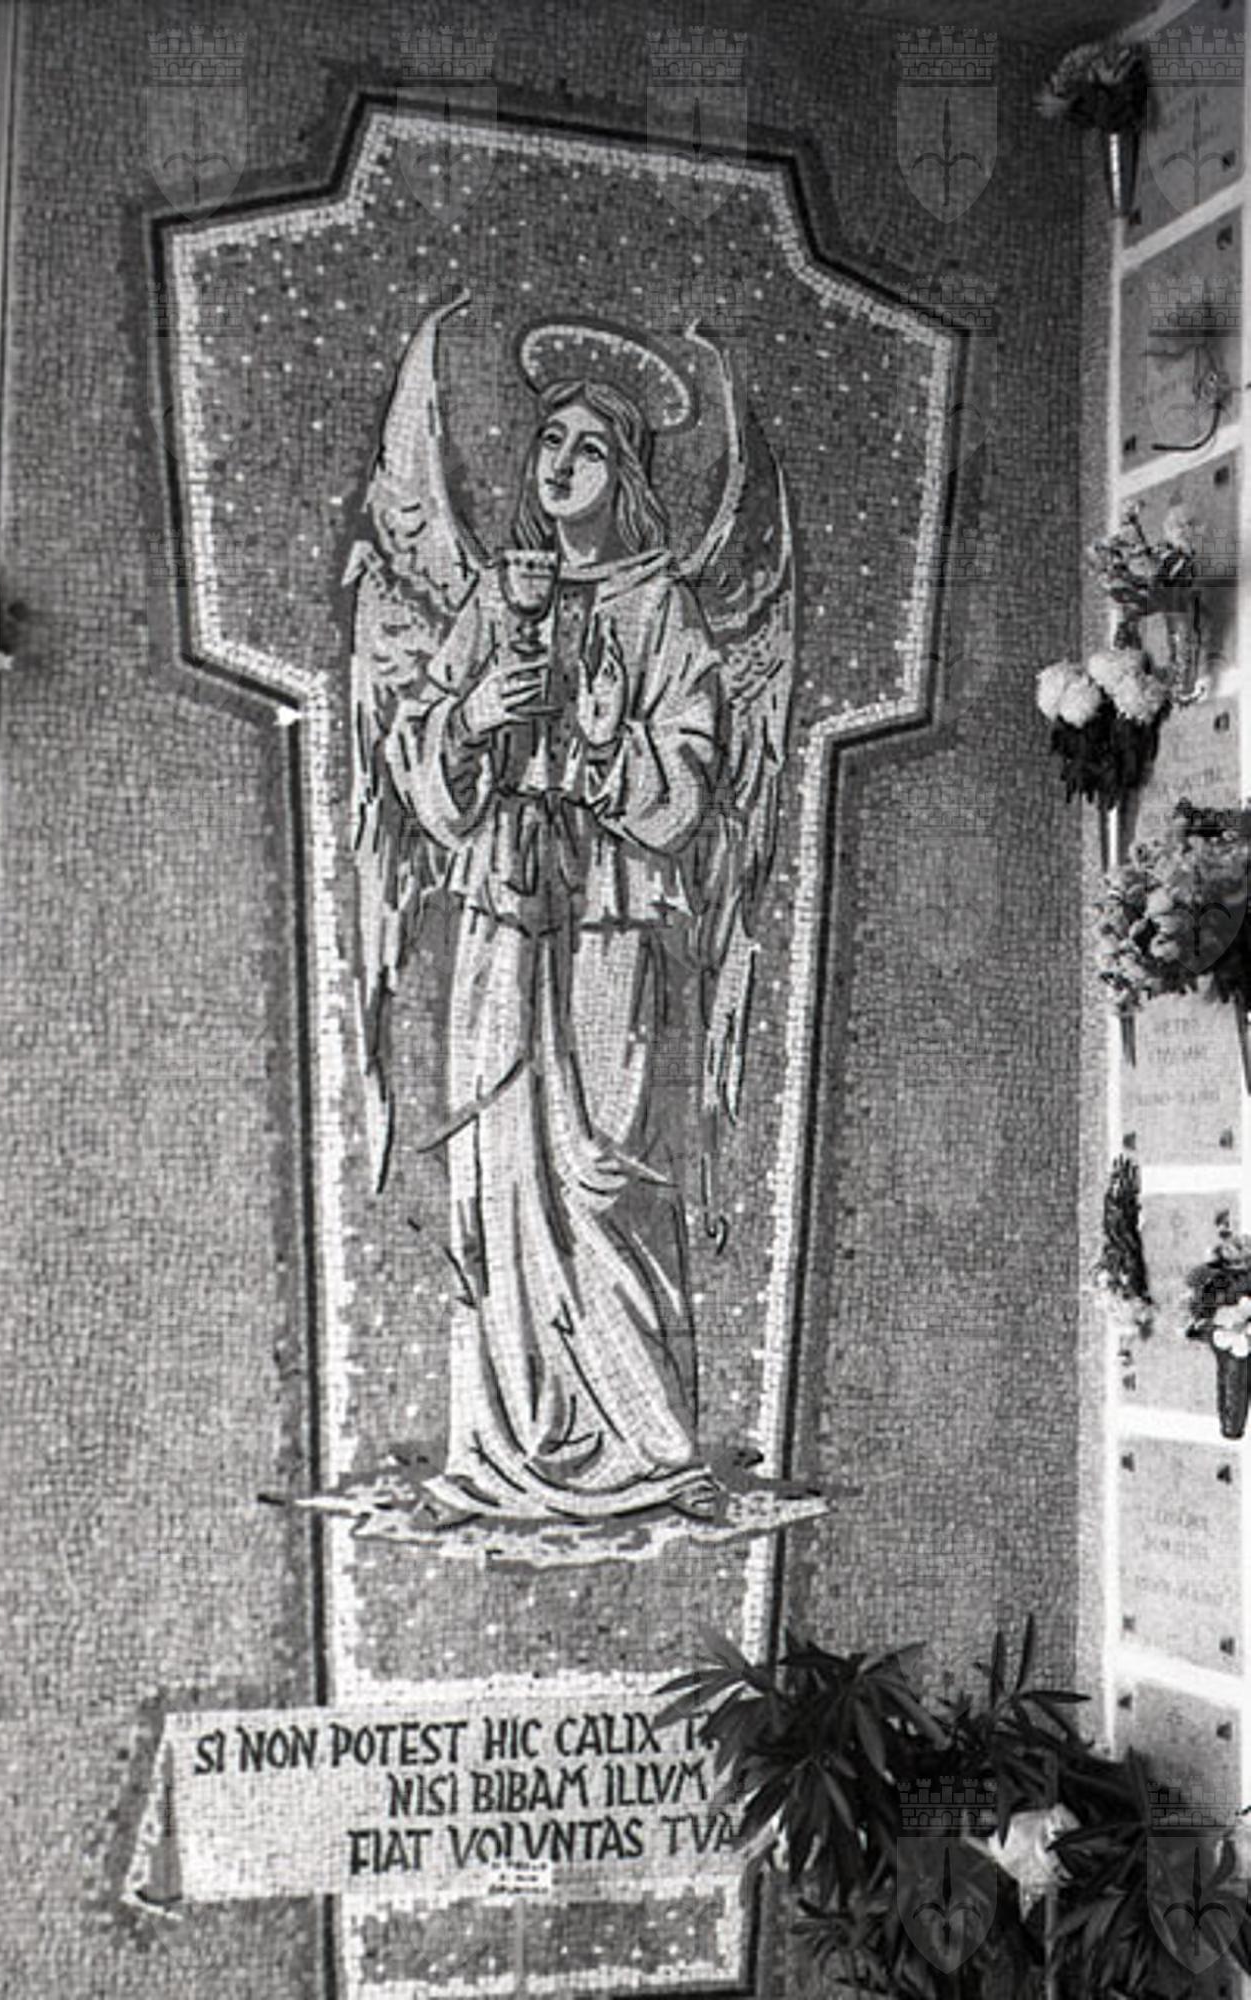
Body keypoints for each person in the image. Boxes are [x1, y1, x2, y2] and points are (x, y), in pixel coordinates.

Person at [388, 339, 725, 1523]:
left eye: (591, 447)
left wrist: (603, 744)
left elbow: (689, 790)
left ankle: (653, 1442)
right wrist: (479, 710)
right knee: (496, 1164)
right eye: (550, 439)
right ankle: (500, 1440)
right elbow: (423, 761)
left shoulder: (662, 607)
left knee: (602, 1163)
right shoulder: (495, 595)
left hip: (610, 920)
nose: (563, 462)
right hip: (501, 911)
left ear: (625, 474)